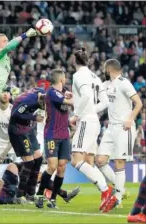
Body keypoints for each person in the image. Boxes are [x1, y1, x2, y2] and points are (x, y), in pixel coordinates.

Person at [96, 59, 143, 212]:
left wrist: (130, 119)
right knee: (100, 160)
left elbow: (139, 103)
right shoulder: (105, 85)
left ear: (109, 69)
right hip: (110, 128)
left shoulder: (124, 83)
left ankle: (117, 198)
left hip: (124, 127)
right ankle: (120, 189)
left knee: (119, 163)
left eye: (104, 68)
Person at [69, 48, 112, 212]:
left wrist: (77, 115)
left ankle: (106, 191)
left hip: (86, 121)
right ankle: (106, 194)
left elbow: (86, 96)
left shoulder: (78, 75)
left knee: (76, 160)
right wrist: (91, 110)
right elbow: (105, 102)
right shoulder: (95, 76)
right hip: (94, 121)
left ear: (74, 61)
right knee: (88, 162)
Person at [35, 69, 79, 209]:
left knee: (61, 167)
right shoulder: (51, 92)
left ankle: (53, 199)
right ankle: (40, 194)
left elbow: (68, 96)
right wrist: (76, 98)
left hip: (64, 135)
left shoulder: (63, 91)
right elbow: (70, 101)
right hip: (52, 134)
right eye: (65, 78)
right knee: (52, 166)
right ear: (61, 79)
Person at [8, 87, 45, 203]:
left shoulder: (42, 93)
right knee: (29, 163)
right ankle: (19, 195)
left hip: (28, 129)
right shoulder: (29, 100)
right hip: (18, 130)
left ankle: (30, 193)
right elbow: (14, 115)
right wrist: (34, 117)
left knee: (39, 160)